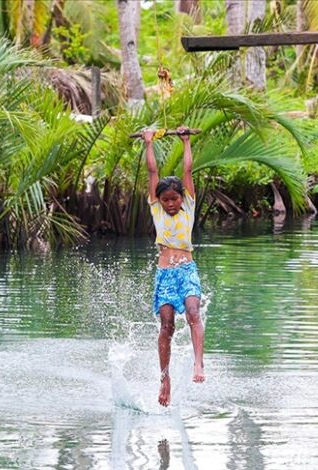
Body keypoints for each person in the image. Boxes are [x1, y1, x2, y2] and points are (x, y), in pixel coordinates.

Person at [141, 126, 205, 407]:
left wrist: (186, 141)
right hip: (165, 274)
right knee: (166, 325)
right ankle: (164, 377)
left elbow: (188, 171)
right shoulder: (156, 208)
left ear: (182, 198)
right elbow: (153, 173)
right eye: (165, 200)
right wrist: (148, 143)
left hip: (187, 270)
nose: (169, 204)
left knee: (193, 312)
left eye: (174, 199)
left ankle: (199, 364)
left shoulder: (188, 206)